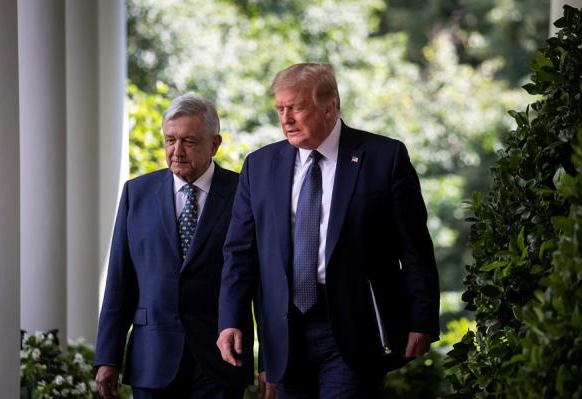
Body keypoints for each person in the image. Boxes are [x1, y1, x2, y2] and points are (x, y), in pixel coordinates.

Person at [217, 63, 440, 398]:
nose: (286, 119)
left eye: (297, 108)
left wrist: (421, 318)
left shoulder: (384, 157)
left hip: (355, 327)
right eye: (280, 109)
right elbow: (239, 252)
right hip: (286, 331)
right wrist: (231, 318)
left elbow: (415, 248)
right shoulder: (259, 166)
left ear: (330, 106)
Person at [94, 94, 262, 398]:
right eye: (170, 140)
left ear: (215, 144)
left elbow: (262, 283)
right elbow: (120, 280)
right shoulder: (137, 193)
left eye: (189, 141)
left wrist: (268, 364)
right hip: (152, 358)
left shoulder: (243, 193)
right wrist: (108, 356)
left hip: (220, 359)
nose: (177, 151)